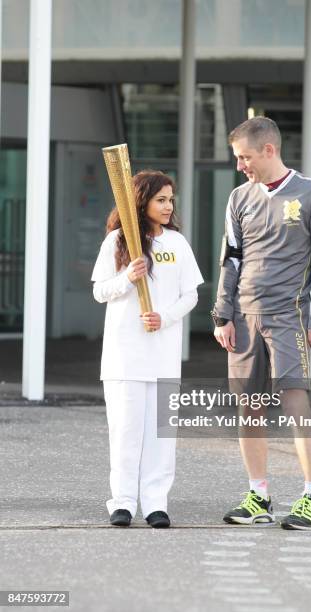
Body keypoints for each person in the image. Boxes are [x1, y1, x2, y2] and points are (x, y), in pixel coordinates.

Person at [211, 117, 311, 530]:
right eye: (237, 158)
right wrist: (222, 314)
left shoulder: (309, 191)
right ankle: (258, 495)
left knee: (296, 402)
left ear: (269, 150)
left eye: (244, 157)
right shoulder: (238, 198)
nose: (240, 165)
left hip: (289, 317)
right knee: (250, 407)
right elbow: (231, 258)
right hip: (244, 319)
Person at [91, 170, 204, 528]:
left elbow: (191, 295)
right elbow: (99, 291)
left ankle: (156, 502)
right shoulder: (118, 241)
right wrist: (128, 277)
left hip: (163, 355)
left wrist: (164, 317)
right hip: (124, 356)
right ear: (142, 201)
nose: (169, 206)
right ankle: (122, 502)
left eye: (171, 200)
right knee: (125, 431)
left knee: (160, 435)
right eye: (161, 200)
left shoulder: (177, 244)